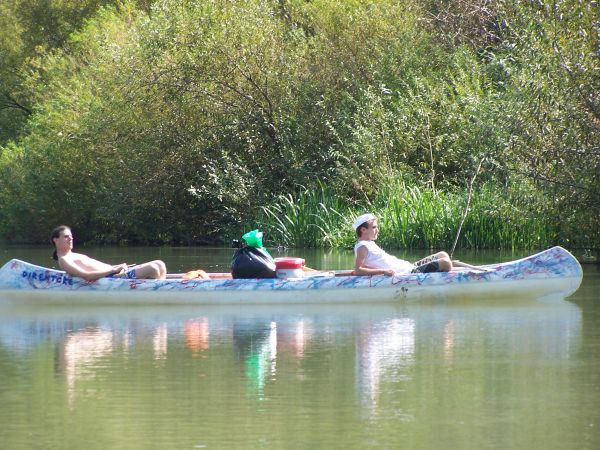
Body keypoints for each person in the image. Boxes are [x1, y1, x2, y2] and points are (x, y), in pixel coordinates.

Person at [51, 225, 167, 281]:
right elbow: (88, 276)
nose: (70, 239)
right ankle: (162, 294)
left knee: (160, 263)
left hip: (116, 272)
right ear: (55, 240)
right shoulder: (64, 260)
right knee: (153, 268)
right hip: (112, 278)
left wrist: (116, 267)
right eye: (66, 237)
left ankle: (162, 289)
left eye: (71, 237)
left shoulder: (74, 255)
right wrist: (113, 270)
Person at [353, 213, 453, 276]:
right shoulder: (363, 246)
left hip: (410, 267)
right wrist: (383, 272)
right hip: (407, 274)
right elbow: (358, 270)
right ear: (363, 230)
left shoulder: (369, 243)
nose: (377, 230)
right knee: (446, 263)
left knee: (442, 254)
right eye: (374, 227)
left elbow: (369, 266)